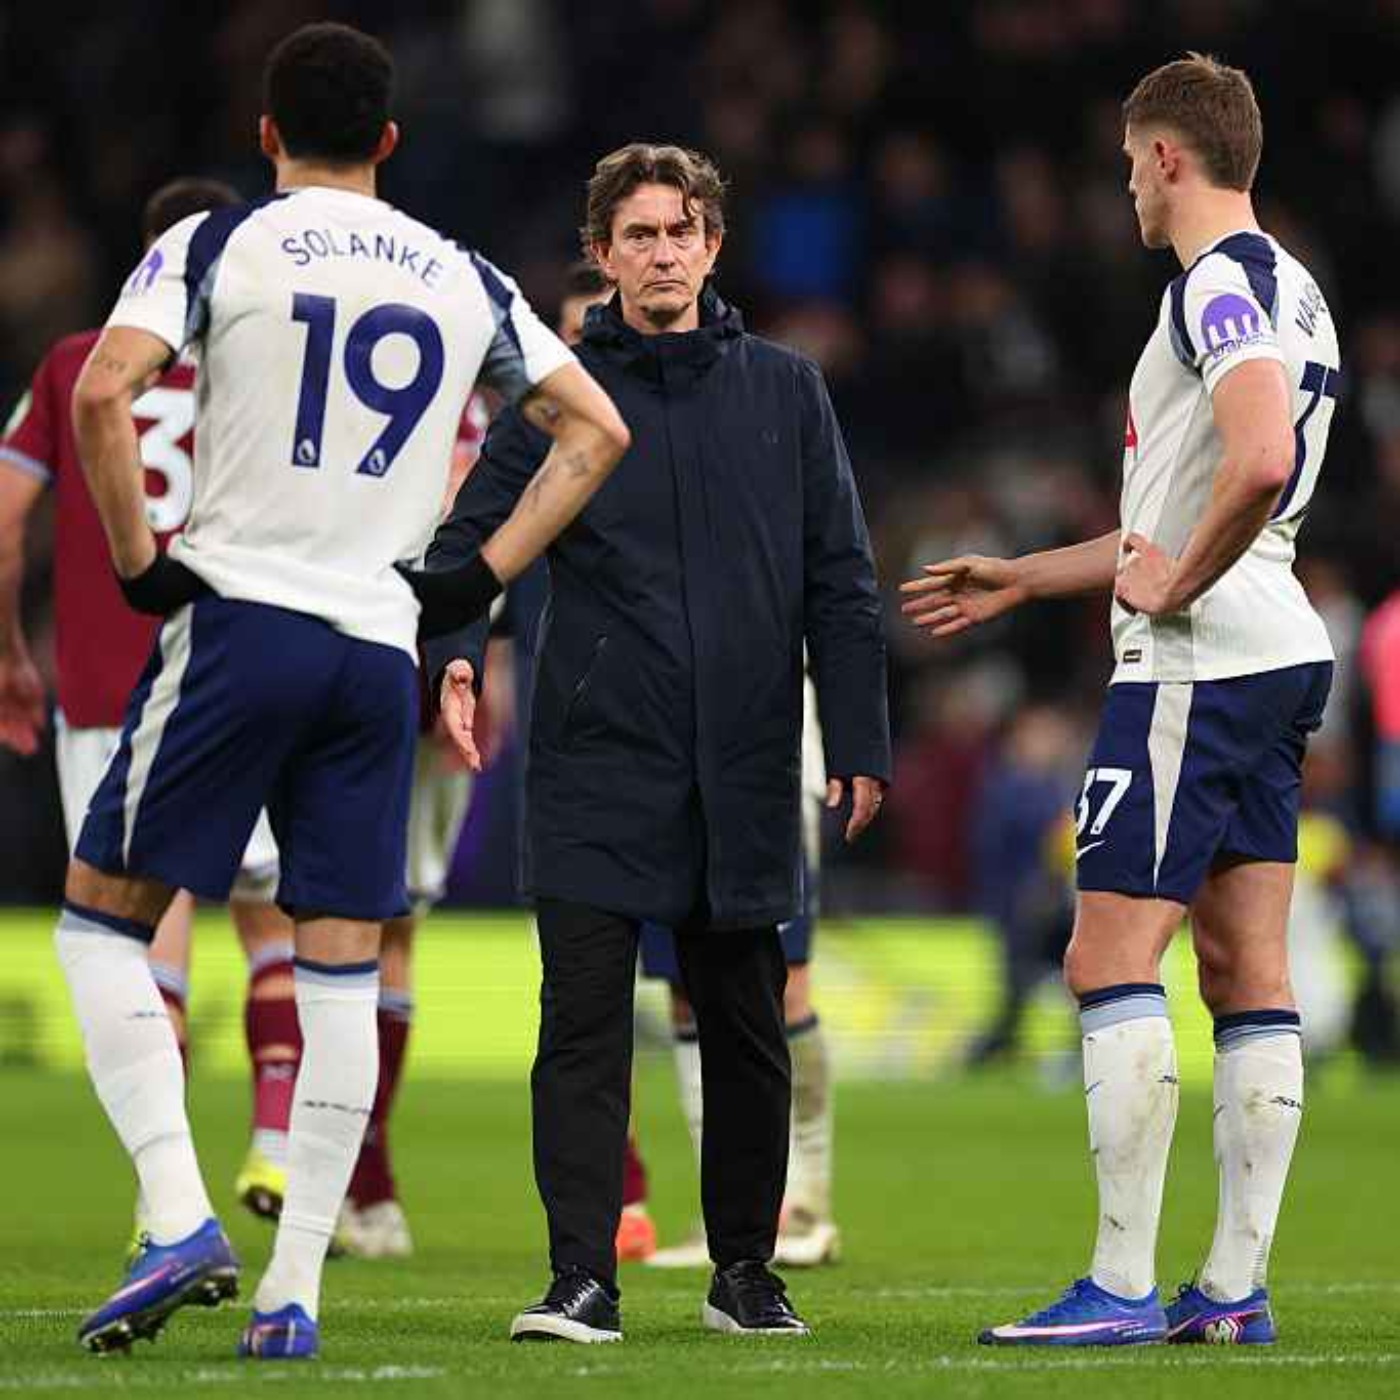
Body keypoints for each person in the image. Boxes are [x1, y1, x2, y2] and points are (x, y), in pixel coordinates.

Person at [57, 20, 627, 1362]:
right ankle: (292, 1290)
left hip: (243, 618)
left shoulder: (216, 243)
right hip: (379, 648)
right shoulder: (461, 271)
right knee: (341, 968)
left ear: (265, 135)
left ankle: (183, 1212)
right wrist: (471, 576)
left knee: (99, 922)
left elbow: (104, 393)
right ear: (389, 139)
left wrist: (146, 569)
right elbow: (598, 427)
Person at [904, 54, 1340, 1347]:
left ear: (1163, 158)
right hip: (1275, 645)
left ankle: (1122, 1285)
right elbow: (1195, 505)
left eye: (1127, 164)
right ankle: (1232, 1288)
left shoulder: (1213, 285)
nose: (1125, 190)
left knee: (1106, 958)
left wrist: (1174, 587)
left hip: (1199, 667)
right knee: (1245, 968)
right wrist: (1032, 577)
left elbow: (1254, 461)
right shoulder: (1293, 286)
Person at [426, 142, 890, 1343]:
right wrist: (457, 657)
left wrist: (859, 737)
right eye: (637, 234)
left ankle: (745, 1270)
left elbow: (840, 580)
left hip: (739, 759)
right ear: (601, 253)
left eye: (679, 230)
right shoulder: (559, 396)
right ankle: (580, 1275)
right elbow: (472, 544)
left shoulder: (787, 390)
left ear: (714, 245)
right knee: (580, 1025)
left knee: (742, 1024)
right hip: (592, 758)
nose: (662, 252)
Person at [0, 176, 302, 1234]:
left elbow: (5, 519)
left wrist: (8, 657)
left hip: (102, 688)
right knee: (270, 903)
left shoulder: (77, 364)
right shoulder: (267, 361)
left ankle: (161, 1191)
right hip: (245, 669)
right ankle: (275, 1137)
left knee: (129, 930)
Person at [336, 392, 491, 1261]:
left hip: (431, 669)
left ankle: (361, 1173)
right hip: (367, 660)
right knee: (345, 923)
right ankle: (337, 1173)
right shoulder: (474, 381)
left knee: (383, 923)